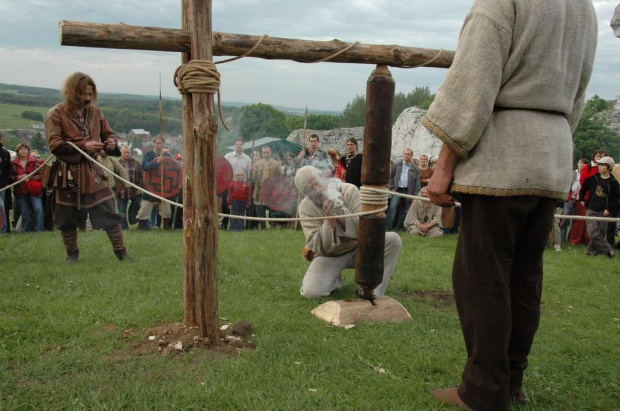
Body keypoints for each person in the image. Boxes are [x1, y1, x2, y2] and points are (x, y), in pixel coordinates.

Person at [422, 1, 597, 409]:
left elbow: (473, 79)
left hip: (501, 157)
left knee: (483, 277)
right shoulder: (583, 7)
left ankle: (483, 392)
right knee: (524, 277)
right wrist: (551, 139)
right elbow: (580, 89)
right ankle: (511, 381)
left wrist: (445, 163)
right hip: (551, 155)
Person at [46, 72, 133, 262]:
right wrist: (83, 146)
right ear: (71, 92)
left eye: (89, 94)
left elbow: (109, 134)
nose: (86, 98)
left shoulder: (95, 112)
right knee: (67, 218)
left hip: (94, 173)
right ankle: (72, 256)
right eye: (82, 93)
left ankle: (121, 253)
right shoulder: (56, 113)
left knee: (109, 212)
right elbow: (54, 144)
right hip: (67, 174)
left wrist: (111, 143)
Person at [294, 166, 402, 298]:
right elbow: (318, 247)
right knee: (311, 292)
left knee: (393, 239)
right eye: (309, 189)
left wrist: (341, 212)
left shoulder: (349, 190)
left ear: (322, 177)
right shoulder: (305, 208)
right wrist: (330, 221)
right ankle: (334, 280)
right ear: (305, 193)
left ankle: (375, 291)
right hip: (331, 255)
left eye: (316, 183)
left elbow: (364, 229)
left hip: (360, 248)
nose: (317, 189)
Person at [579, 156, 618, 258]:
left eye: (602, 165)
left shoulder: (614, 183)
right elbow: (583, 188)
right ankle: (608, 250)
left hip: (603, 210)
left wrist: (609, 209)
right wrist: (582, 200)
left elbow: (615, 199)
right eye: (599, 164)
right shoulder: (593, 178)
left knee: (600, 232)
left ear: (609, 167)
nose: (599, 167)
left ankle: (591, 253)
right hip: (591, 208)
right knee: (593, 233)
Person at [136, 135, 173, 230]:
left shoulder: (167, 157)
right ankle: (143, 226)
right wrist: (156, 162)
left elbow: (172, 171)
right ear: (154, 143)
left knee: (166, 211)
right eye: (157, 143)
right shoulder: (148, 155)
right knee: (144, 210)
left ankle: (166, 227)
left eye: (161, 143)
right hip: (150, 186)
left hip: (163, 188)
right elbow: (144, 166)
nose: (159, 145)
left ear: (164, 144)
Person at [10, 141, 44, 232]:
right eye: (21, 149)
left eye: (25, 149)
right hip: (20, 190)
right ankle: (26, 230)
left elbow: (40, 175)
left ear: (28, 151)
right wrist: (19, 177)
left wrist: (30, 178)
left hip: (33, 189)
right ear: (18, 151)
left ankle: (40, 228)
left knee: (38, 209)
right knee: (25, 212)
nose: (23, 151)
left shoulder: (35, 162)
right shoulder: (13, 164)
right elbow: (10, 177)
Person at [386, 148, 421, 230]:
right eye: (405, 154)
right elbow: (390, 177)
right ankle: (388, 227)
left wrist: (415, 195)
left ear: (411, 156)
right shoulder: (396, 165)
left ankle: (398, 227)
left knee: (405, 210)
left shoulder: (415, 169)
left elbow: (417, 183)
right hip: (397, 190)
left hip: (409, 191)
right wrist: (392, 187)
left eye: (408, 154)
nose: (406, 156)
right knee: (392, 208)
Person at [250, 146, 282, 229]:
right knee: (259, 209)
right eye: (264, 153)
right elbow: (253, 179)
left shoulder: (276, 164)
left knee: (274, 208)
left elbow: (279, 178)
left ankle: (273, 225)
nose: (265, 154)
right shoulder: (257, 165)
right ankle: (263, 226)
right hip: (260, 190)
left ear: (270, 152)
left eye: (267, 152)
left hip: (272, 190)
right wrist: (251, 171)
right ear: (262, 153)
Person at [117, 146, 144, 230]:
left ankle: (141, 225)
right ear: (121, 153)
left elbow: (141, 176)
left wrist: (139, 188)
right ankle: (124, 228)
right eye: (124, 152)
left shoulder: (136, 163)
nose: (126, 154)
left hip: (134, 191)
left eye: (128, 152)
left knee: (140, 208)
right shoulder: (117, 164)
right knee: (122, 211)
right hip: (122, 191)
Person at [561, 158, 587, 242]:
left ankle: (571, 238)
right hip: (571, 198)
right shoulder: (572, 173)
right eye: (580, 163)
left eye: (584, 163)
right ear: (578, 164)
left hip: (580, 200)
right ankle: (562, 238)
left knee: (576, 220)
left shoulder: (587, 175)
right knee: (565, 219)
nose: (581, 164)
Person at [0, 132, 12, 234]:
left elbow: (8, 169)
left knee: (3, 207)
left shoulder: (5, 153)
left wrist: (7, 182)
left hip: (2, 185)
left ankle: (3, 231)